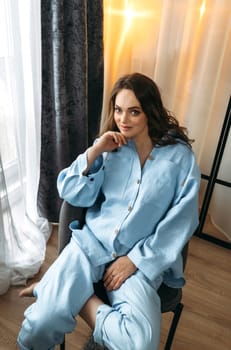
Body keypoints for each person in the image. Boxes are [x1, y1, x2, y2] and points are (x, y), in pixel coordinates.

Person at [17, 72, 200, 350]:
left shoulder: (179, 157)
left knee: (139, 343)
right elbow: (72, 192)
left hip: (137, 261)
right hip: (90, 246)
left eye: (134, 112)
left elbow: (183, 219)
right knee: (39, 325)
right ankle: (61, 293)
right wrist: (95, 151)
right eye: (118, 110)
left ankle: (79, 300)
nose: (123, 120)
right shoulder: (110, 148)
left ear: (150, 111)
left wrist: (136, 260)